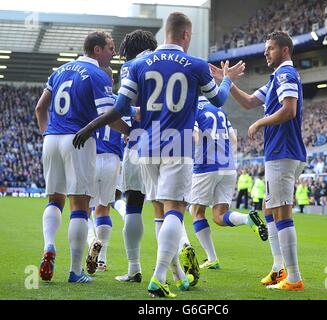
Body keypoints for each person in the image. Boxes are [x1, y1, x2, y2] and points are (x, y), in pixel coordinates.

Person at [72, 12, 245, 298]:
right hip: (178, 144)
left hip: (144, 146)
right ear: (186, 35)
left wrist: (89, 127)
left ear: (166, 32)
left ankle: (172, 272)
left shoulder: (138, 65)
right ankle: (159, 276)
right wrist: (226, 79)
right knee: (175, 210)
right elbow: (219, 100)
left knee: (156, 211)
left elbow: (118, 108)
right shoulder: (196, 65)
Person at [210, 31, 307, 291]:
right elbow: (250, 101)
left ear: (284, 50)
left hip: (283, 151)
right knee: (269, 207)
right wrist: (226, 83)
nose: (266, 52)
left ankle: (294, 277)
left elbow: (290, 110)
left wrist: (260, 122)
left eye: (271, 48)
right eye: (266, 48)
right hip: (282, 151)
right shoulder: (277, 77)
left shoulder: (286, 75)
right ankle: (278, 269)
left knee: (282, 211)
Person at [35, 31, 117, 283]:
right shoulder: (97, 75)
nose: (113, 53)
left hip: (52, 139)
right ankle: (75, 271)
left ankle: (49, 245)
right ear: (97, 50)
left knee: (54, 200)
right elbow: (108, 115)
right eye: (110, 48)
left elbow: (40, 108)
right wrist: (133, 129)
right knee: (80, 207)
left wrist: (47, 133)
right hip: (79, 139)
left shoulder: (59, 71)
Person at [190, 96, 268, 270]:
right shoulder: (219, 109)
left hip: (205, 165)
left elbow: (195, 137)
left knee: (196, 211)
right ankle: (248, 219)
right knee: (219, 216)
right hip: (228, 166)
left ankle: (212, 258)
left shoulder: (192, 107)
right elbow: (233, 138)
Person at [112, 29, 158, 283]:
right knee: (169, 207)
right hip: (174, 142)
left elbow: (121, 105)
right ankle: (176, 261)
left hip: (139, 140)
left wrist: (133, 115)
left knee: (133, 204)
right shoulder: (167, 61)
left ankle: (134, 268)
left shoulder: (131, 65)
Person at [85, 66, 130, 274]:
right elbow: (128, 134)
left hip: (92, 158)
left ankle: (91, 240)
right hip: (113, 159)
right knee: (104, 208)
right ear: (112, 82)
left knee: (82, 208)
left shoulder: (88, 101)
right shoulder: (122, 104)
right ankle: (101, 260)